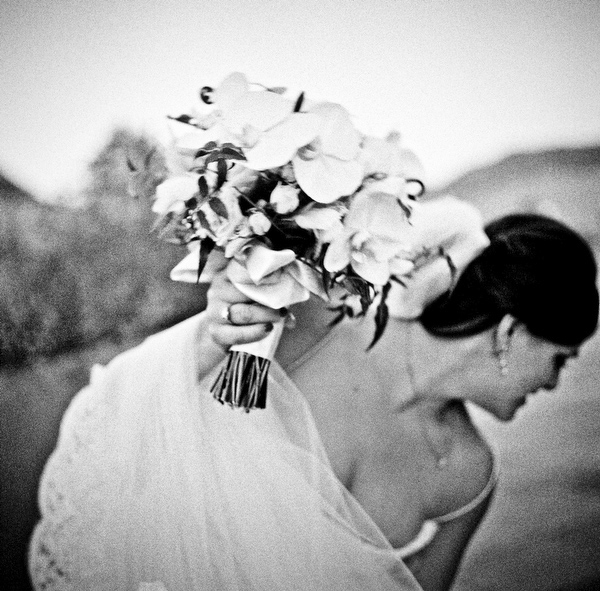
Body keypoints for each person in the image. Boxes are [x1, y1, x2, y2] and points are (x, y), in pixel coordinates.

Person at [29, 213, 598, 591]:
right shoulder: (310, 327)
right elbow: (184, 415)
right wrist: (214, 330)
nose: (552, 382)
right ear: (510, 333)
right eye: (560, 358)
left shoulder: (470, 478)